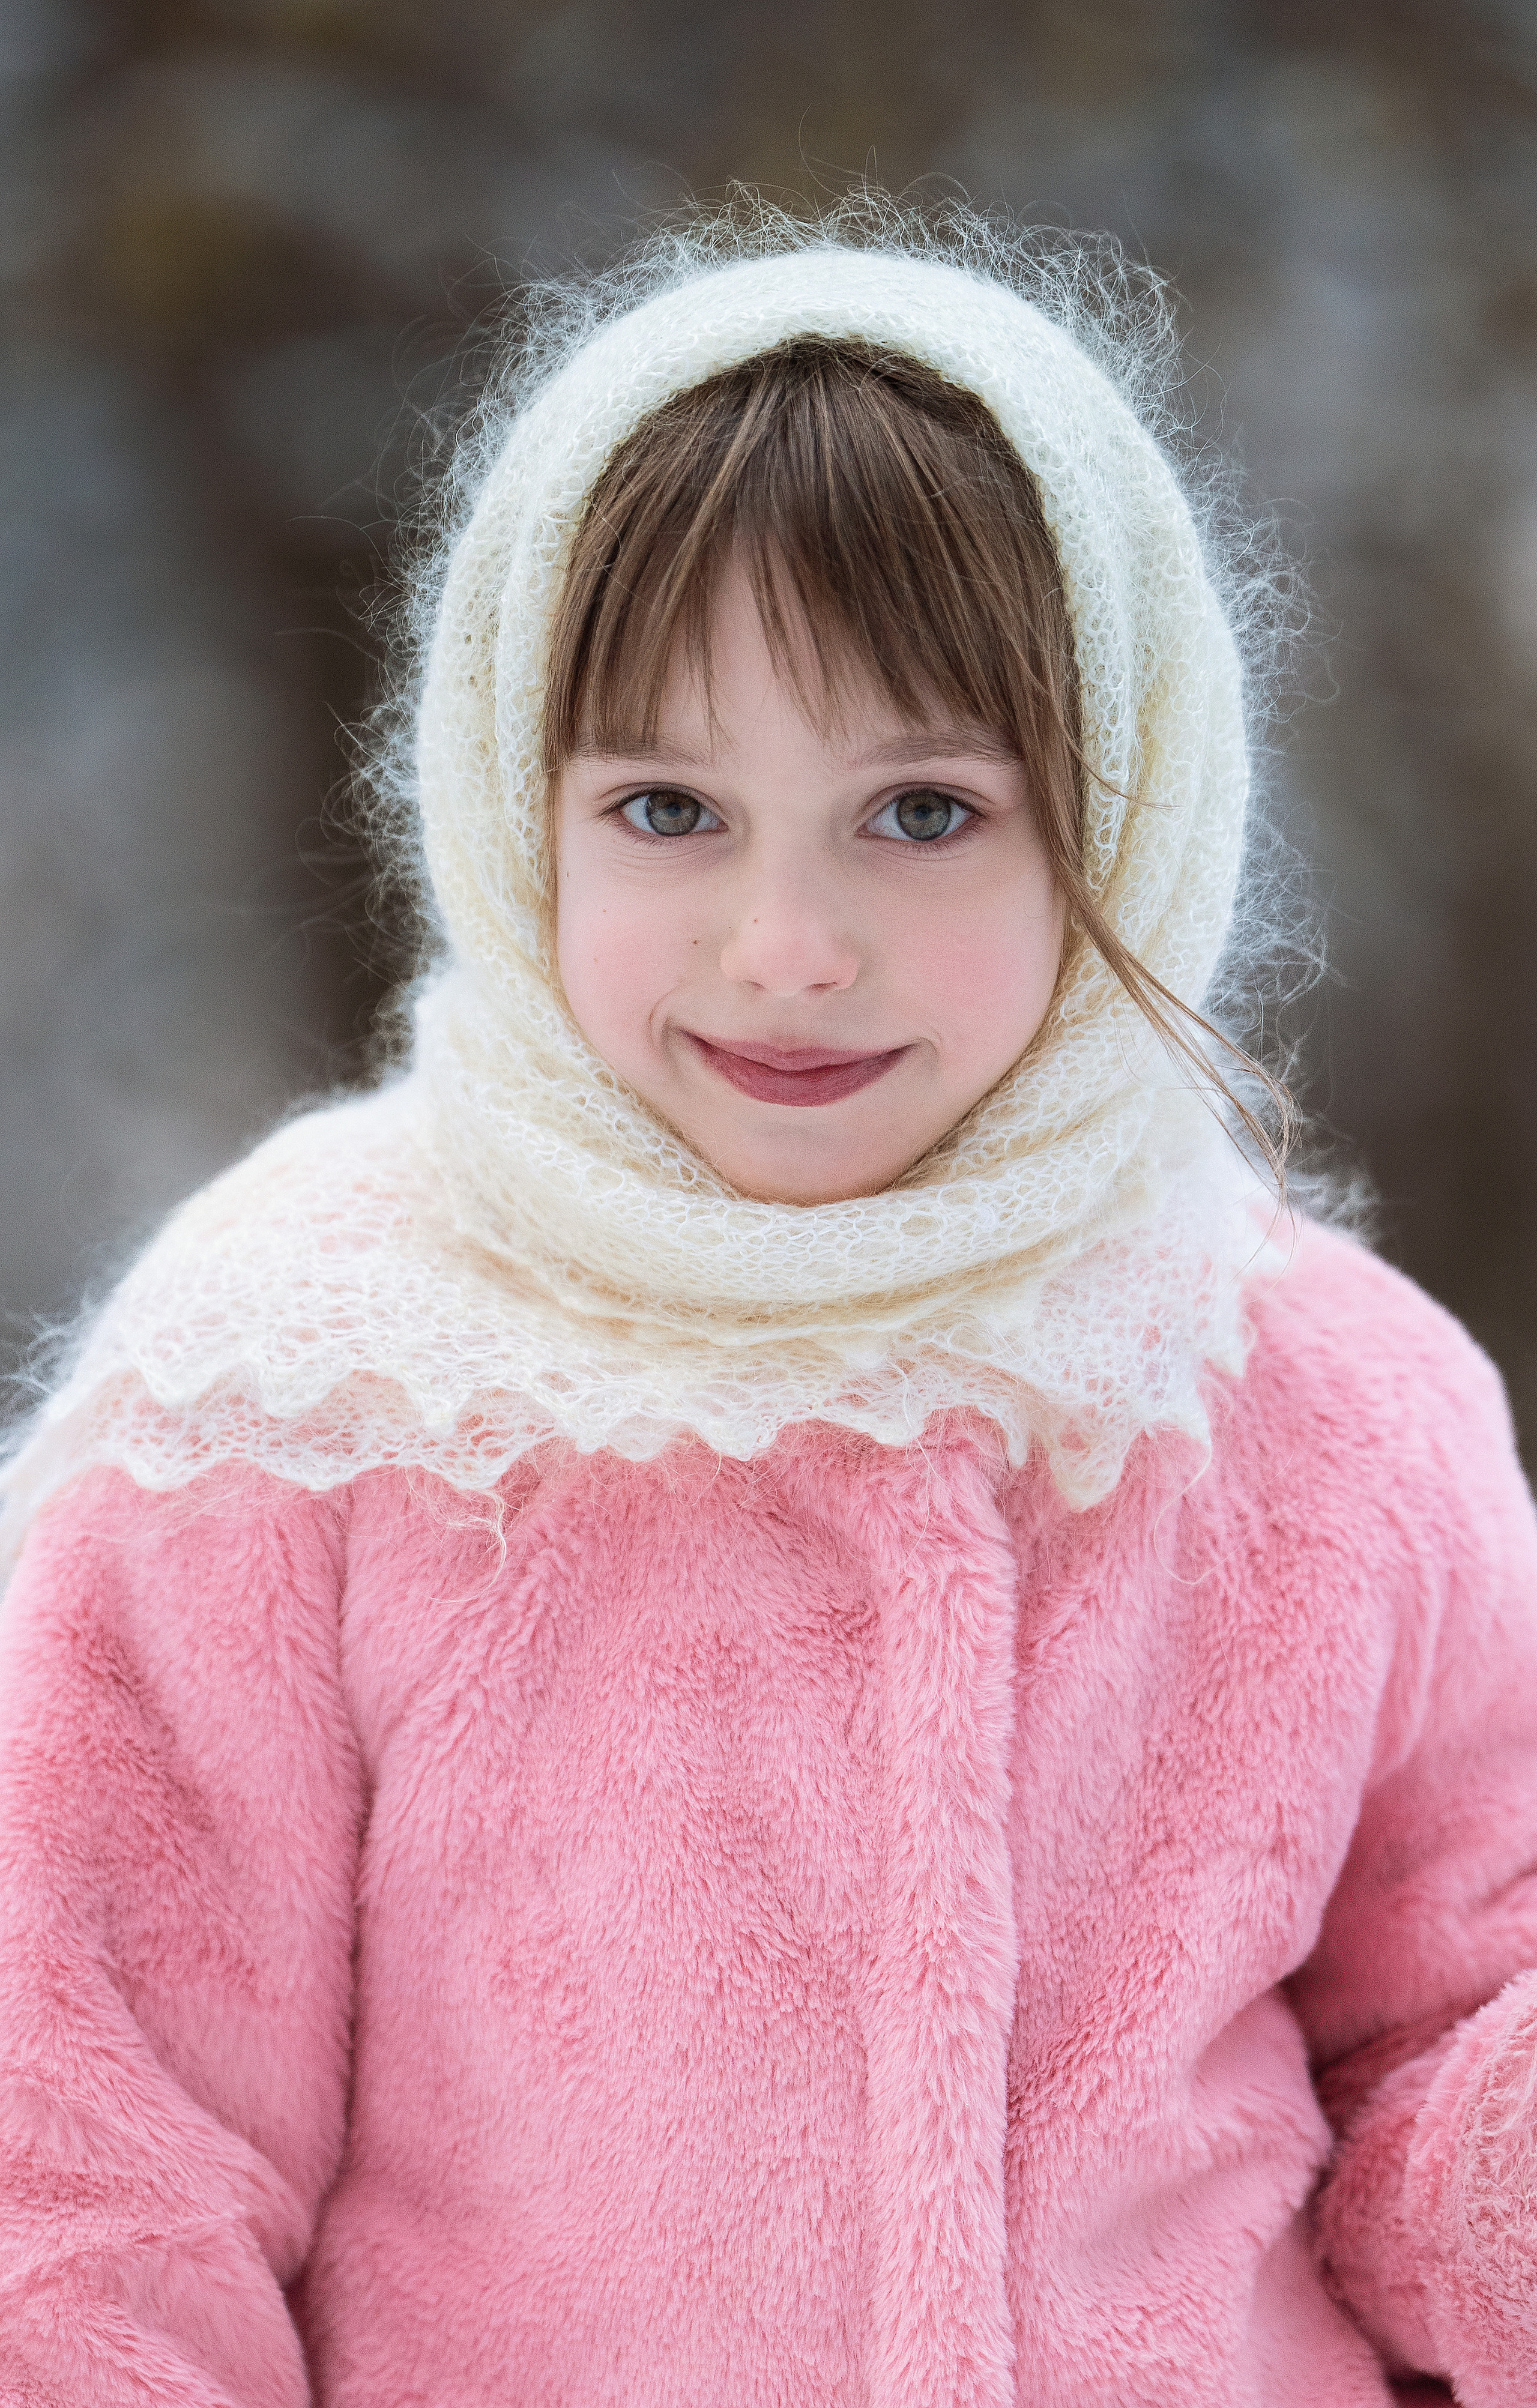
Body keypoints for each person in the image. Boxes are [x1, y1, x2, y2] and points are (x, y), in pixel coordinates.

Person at [1, 202, 1534, 2408]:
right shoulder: (302, 1388)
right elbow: (89, 2159)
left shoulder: (1318, 1404)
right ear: (517, 808)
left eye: (922, 811)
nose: (789, 943)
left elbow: (1442, 2055)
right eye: (670, 808)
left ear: (1118, 813)